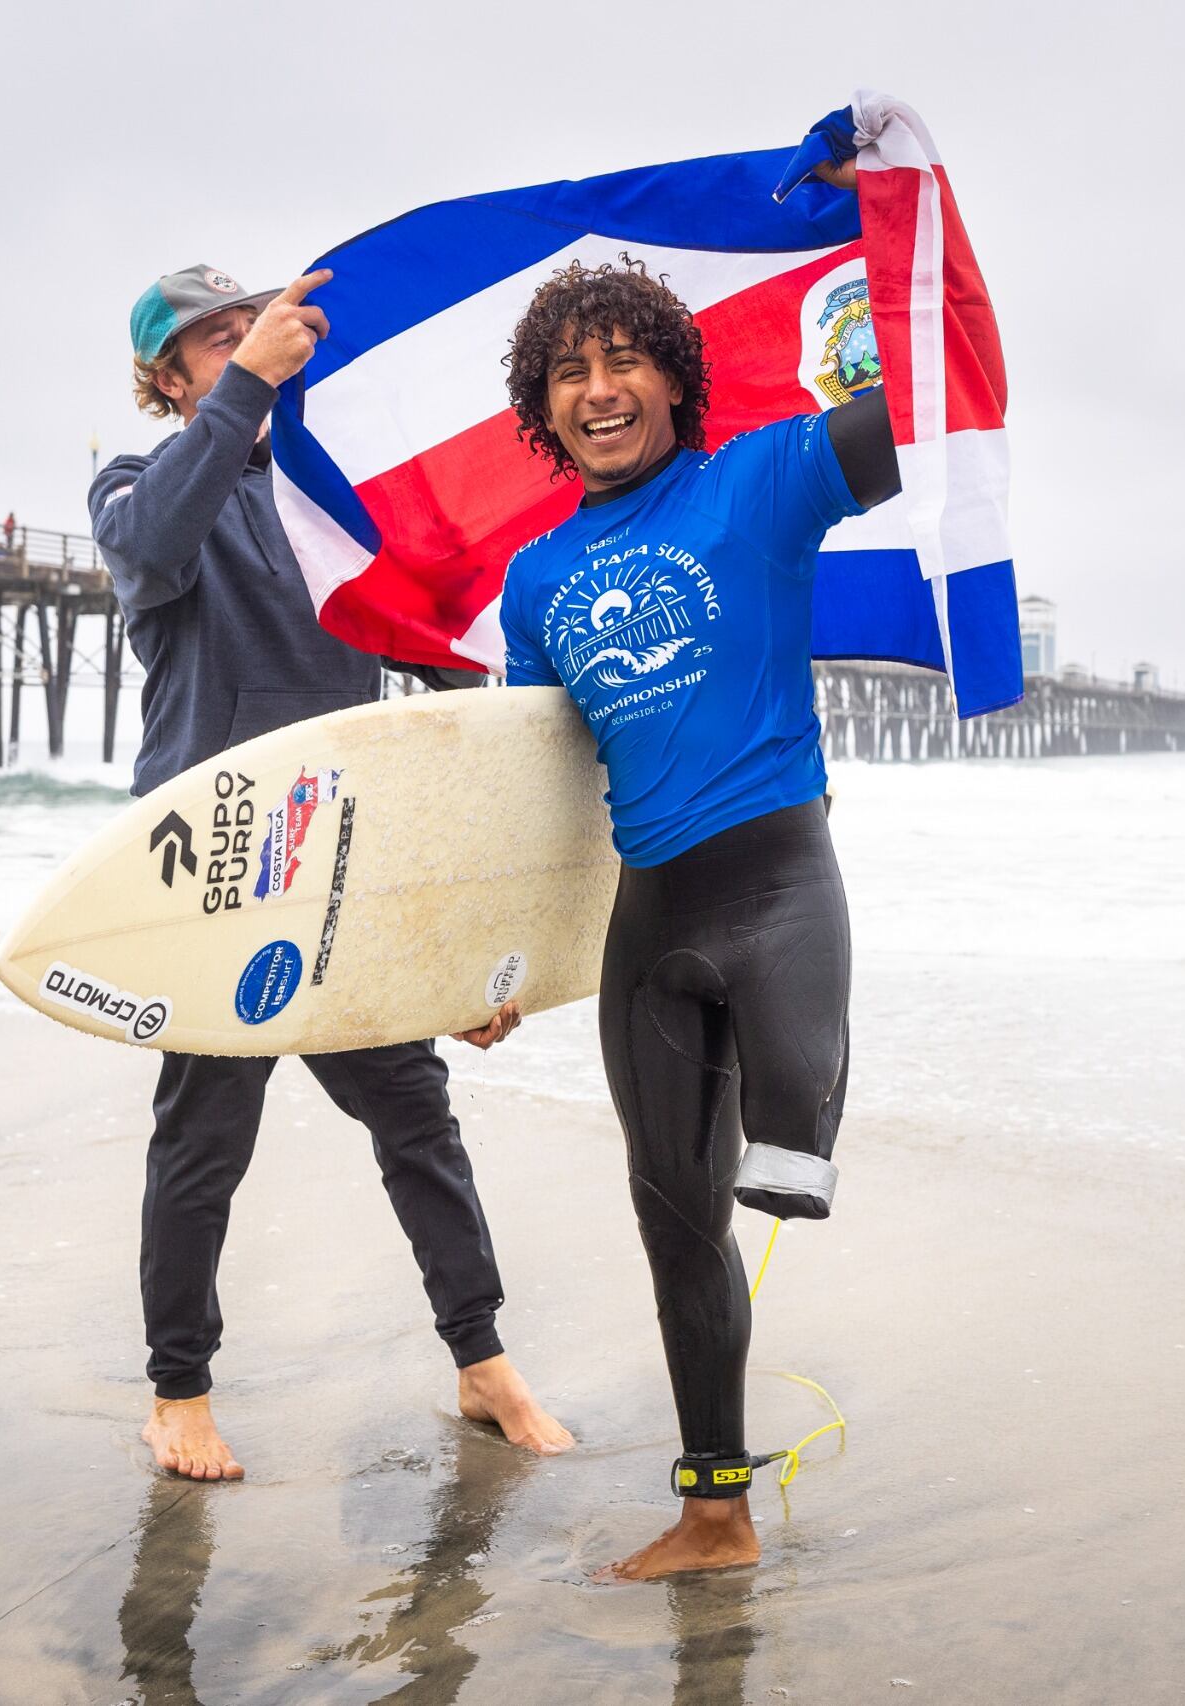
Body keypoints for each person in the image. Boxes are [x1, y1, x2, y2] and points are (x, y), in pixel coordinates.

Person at [89, 262, 571, 1481]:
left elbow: (457, 692)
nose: (245, 341)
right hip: (212, 872)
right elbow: (152, 548)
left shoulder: (334, 506)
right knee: (205, 1139)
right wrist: (246, 391)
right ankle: (178, 1392)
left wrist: (481, 935)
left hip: (342, 862)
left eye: (252, 323)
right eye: (212, 338)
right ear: (167, 376)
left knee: (416, 1117)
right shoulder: (142, 488)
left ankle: (480, 1359)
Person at [495, 242, 902, 1579]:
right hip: (646, 923)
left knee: (790, 1168)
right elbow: (534, 792)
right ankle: (715, 1512)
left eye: (623, 360)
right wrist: (493, 969)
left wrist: (895, 226)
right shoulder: (538, 583)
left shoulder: (762, 482)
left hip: (779, 887)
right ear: (541, 407)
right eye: (570, 371)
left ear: (674, 379)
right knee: (675, 1217)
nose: (598, 389)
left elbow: (934, 406)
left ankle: (724, 1499)